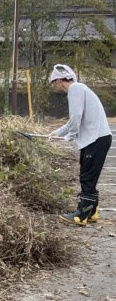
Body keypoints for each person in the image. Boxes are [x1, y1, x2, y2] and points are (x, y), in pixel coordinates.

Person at [48, 64, 112, 226]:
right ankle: (92, 211)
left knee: (87, 177)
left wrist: (69, 136)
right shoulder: (80, 88)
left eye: (54, 83)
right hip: (97, 138)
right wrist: (57, 133)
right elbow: (75, 121)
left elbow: (75, 117)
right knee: (88, 174)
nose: (55, 88)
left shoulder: (75, 89)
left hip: (96, 138)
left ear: (59, 80)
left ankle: (81, 215)